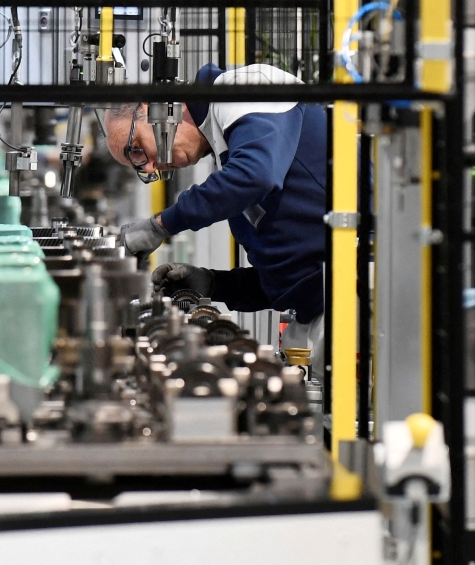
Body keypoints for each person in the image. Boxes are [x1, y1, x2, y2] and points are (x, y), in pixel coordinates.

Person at [103, 63, 328, 379]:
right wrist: (214, 283)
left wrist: (161, 225)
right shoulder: (229, 153)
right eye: (139, 165)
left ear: (152, 108)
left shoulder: (246, 87)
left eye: (138, 149)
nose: (152, 166)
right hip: (314, 317)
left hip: (352, 299)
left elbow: (255, 177)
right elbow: (287, 276)